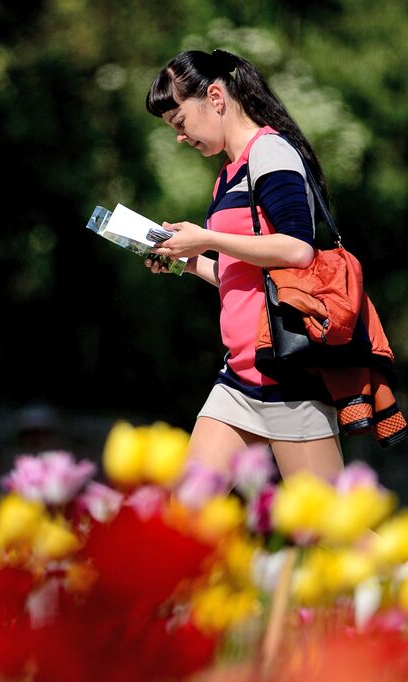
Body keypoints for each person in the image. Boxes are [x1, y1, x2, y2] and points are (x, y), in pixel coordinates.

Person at [143, 48, 344, 483]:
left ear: (215, 97)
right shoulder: (229, 174)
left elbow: (297, 249)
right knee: (189, 511)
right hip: (239, 377)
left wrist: (208, 236)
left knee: (328, 529)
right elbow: (242, 275)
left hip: (287, 375)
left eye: (180, 123)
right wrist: (189, 261)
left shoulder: (270, 152)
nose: (180, 136)